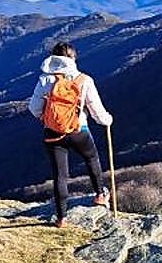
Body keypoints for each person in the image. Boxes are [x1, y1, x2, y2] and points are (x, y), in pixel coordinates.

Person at [28, 41, 113, 227]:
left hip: (52, 133)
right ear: (73, 58)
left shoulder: (45, 80)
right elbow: (97, 112)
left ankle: (61, 218)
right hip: (78, 130)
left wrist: (46, 118)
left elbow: (33, 108)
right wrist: (108, 120)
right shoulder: (84, 80)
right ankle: (100, 195)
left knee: (59, 175)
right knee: (91, 158)